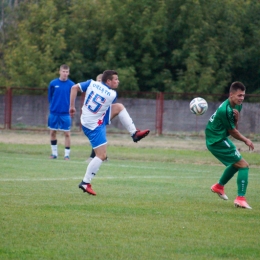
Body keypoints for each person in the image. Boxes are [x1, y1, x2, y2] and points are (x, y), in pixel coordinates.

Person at [69, 70, 150, 195]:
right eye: (116, 79)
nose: (118, 81)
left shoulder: (91, 83)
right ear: (108, 81)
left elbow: (74, 87)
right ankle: (85, 182)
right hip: (93, 126)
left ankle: (134, 133)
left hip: (87, 118)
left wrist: (72, 107)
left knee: (119, 107)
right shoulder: (112, 94)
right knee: (101, 156)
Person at [205, 81, 254, 209]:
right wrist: (246, 140)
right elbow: (232, 131)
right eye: (239, 95)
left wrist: (237, 120)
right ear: (231, 94)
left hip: (220, 138)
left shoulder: (238, 106)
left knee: (236, 164)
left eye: (243, 95)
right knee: (244, 165)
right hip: (216, 140)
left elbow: (232, 127)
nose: (242, 98)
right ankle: (240, 198)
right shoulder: (225, 109)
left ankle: (219, 186)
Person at [48, 64, 75, 160]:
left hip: (65, 113)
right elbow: (50, 97)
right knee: (52, 132)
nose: (65, 73)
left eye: (67, 72)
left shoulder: (72, 85)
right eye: (63, 71)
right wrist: (53, 107)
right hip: (54, 112)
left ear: (69, 73)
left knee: (67, 133)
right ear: (60, 72)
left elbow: (73, 98)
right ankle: (54, 153)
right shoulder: (53, 83)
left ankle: (66, 155)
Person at [86, 73, 108, 162]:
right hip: (93, 117)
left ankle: (95, 156)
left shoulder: (106, 92)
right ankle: (102, 156)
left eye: (101, 81)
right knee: (97, 136)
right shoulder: (93, 91)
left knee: (98, 136)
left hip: (100, 118)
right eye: (98, 81)